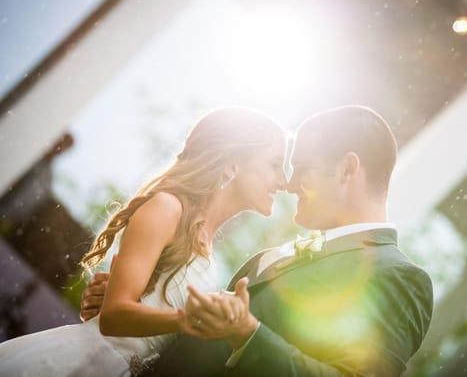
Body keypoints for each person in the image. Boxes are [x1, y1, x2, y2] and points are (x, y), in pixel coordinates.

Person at [82, 105, 434, 376]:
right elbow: (202, 335)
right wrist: (143, 300)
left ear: (347, 169)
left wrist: (249, 335)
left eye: (303, 168)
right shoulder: (269, 257)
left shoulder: (399, 277)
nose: (290, 185)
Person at [0, 107, 287, 377]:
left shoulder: (208, 251)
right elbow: (113, 316)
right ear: (234, 163)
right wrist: (190, 320)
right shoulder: (168, 208)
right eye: (275, 164)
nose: (283, 181)